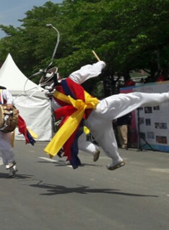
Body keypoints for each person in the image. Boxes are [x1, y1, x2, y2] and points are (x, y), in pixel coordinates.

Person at [41, 60, 169, 170]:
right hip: (100, 107)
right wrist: (100, 64)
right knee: (134, 98)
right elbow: (89, 70)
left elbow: (66, 115)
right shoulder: (71, 79)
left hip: (91, 120)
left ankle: (116, 159)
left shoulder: (54, 102)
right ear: (57, 76)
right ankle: (164, 96)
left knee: (106, 140)